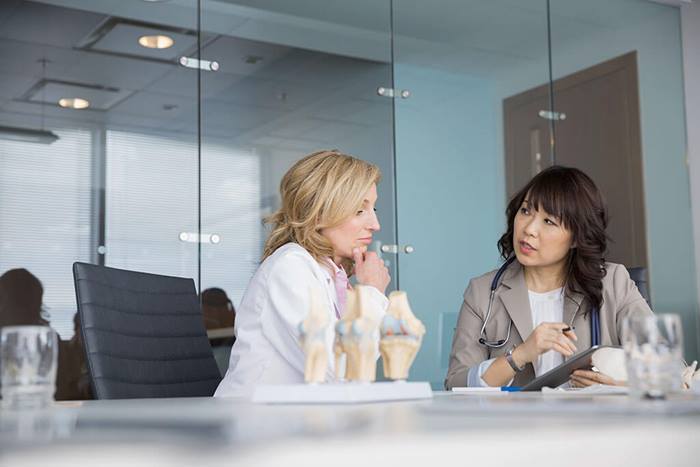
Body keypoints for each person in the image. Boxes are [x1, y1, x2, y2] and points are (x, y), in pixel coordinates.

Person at [445, 166, 653, 390]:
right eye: (525, 211)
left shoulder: (613, 282)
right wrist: (520, 355)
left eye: (549, 221)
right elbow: (456, 383)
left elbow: (667, 365)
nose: (529, 229)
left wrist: (618, 384)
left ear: (576, 238)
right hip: (513, 423)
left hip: (593, 422)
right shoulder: (482, 291)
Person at [214, 150, 390, 397]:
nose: (375, 224)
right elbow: (341, 367)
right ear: (319, 214)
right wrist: (372, 292)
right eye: (360, 211)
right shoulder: (290, 267)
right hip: (258, 424)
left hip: (301, 421)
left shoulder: (329, 275)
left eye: (374, 208)